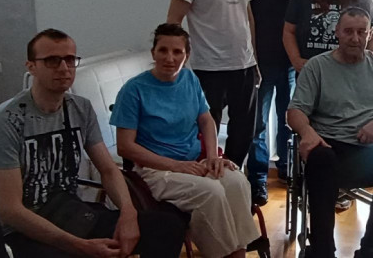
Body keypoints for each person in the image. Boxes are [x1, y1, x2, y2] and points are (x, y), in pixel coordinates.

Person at [0, 29, 185, 258]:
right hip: (24, 231)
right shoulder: (5, 121)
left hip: (69, 213)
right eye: (52, 60)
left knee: (167, 226)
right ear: (31, 67)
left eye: (69, 60)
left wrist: (129, 214)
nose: (63, 68)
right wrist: (80, 246)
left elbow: (108, 169)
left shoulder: (80, 108)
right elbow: (10, 211)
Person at [110, 23, 261, 258]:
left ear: (187, 55)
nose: (169, 58)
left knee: (237, 182)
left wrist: (212, 157)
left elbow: (206, 120)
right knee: (211, 192)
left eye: (177, 52)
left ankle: (238, 253)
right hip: (155, 170)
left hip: (194, 162)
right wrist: (175, 166)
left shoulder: (189, 79)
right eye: (163, 50)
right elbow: (125, 147)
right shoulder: (133, 90)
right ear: (153, 53)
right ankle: (223, 255)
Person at [287, 8, 373, 258]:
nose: (355, 38)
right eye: (348, 32)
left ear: (369, 34)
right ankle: (322, 250)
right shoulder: (317, 67)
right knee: (319, 159)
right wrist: (307, 131)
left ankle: (372, 249)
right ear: (337, 32)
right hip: (329, 147)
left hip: (372, 148)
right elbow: (295, 111)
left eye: (361, 32)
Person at [166, 0, 259, 167]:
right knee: (207, 133)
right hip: (208, 68)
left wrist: (255, 59)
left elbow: (248, 16)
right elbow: (174, 20)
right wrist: (179, 67)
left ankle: (232, 175)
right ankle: (209, 177)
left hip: (243, 65)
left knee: (245, 132)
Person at [247, 0, 307, 205]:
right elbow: (245, 21)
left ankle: (287, 170)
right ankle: (258, 179)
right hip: (260, 64)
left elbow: (303, 20)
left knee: (289, 120)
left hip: (290, 63)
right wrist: (251, 59)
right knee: (257, 124)